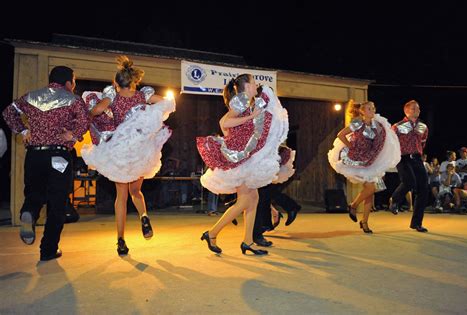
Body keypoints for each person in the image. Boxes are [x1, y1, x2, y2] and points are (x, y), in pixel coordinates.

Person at [81, 56, 175, 255]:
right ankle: (143, 216)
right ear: (135, 81)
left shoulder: (113, 97)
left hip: (121, 151)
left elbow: (97, 110)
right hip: (141, 150)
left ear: (116, 83)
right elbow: (166, 103)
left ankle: (121, 240)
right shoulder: (143, 96)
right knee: (136, 192)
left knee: (121, 197)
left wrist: (89, 117)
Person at [2, 66, 89, 261]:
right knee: (57, 204)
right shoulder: (72, 99)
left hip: (35, 156)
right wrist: (73, 135)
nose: (74, 85)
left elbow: (8, 113)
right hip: (59, 156)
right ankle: (48, 250)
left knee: (34, 194)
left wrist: (24, 131)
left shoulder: (31, 96)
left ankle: (28, 213)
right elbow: (85, 120)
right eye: (74, 81)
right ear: (68, 82)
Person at [196, 74, 288, 255]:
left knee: (253, 199)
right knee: (246, 200)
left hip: (247, 157)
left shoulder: (251, 101)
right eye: (253, 82)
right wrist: (251, 116)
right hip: (240, 158)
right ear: (246, 86)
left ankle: (248, 241)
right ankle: (212, 233)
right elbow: (225, 122)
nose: (256, 85)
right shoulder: (241, 100)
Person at [328, 100, 400, 233]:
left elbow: (380, 142)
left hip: (371, 160)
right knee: (371, 188)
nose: (372, 110)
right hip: (357, 159)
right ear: (362, 111)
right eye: (369, 108)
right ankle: (354, 205)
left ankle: (364, 222)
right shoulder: (357, 123)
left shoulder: (377, 125)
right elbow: (341, 135)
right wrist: (351, 147)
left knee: (370, 191)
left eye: (373, 107)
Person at [389, 100, 429, 232]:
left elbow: (423, 142)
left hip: (417, 158)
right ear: (406, 111)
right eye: (413, 108)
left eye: (418, 108)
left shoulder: (423, 126)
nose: (417, 110)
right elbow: (390, 142)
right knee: (409, 182)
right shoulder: (398, 126)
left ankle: (416, 223)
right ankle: (394, 200)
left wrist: (419, 153)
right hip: (403, 157)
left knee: (423, 189)